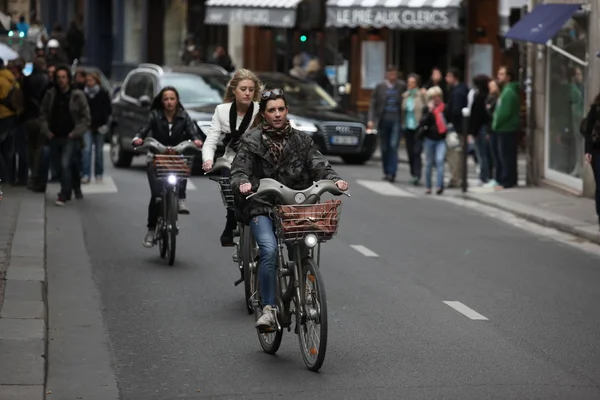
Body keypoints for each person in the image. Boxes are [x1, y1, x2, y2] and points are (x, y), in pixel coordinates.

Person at [230, 88, 348, 330]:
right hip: (261, 206)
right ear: (263, 114)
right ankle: (269, 309)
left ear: (287, 111)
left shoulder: (302, 140)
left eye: (281, 109)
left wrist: (334, 180)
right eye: (271, 110)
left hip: (295, 207)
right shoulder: (251, 140)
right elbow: (239, 170)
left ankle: (304, 289)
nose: (277, 114)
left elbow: (319, 165)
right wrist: (243, 183)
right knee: (269, 250)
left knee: (304, 248)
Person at [132, 86, 203, 248]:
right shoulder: (154, 115)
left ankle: (181, 198)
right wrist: (138, 139)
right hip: (157, 157)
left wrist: (197, 140)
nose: (169, 102)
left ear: (177, 100)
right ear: (161, 101)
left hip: (177, 157)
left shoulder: (184, 116)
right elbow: (143, 130)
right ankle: (151, 230)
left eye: (172, 99)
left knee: (185, 164)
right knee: (156, 196)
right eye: (166, 99)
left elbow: (193, 133)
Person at [202, 69, 262, 246]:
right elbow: (211, 140)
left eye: (251, 89)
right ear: (234, 90)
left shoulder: (260, 109)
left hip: (255, 161)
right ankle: (231, 221)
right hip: (231, 161)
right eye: (243, 89)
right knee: (231, 189)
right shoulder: (222, 111)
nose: (247, 93)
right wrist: (208, 159)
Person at [39, 65, 90, 206]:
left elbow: (86, 118)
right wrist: (47, 131)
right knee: (63, 165)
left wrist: (76, 132)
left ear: (68, 79)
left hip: (70, 136)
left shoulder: (77, 95)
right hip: (54, 136)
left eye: (63, 77)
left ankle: (64, 193)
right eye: (58, 77)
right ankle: (75, 186)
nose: (61, 80)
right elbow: (42, 114)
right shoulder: (51, 94)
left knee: (65, 163)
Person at [367, 65, 407, 183]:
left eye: (394, 74)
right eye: (390, 74)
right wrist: (371, 119)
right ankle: (386, 170)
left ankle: (392, 172)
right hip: (383, 119)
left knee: (393, 146)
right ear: (386, 75)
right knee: (384, 147)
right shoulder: (380, 87)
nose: (392, 76)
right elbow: (373, 104)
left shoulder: (401, 86)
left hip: (396, 119)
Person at [81, 71, 112, 183]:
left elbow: (108, 110)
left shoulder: (103, 93)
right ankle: (86, 174)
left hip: (100, 126)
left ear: (96, 81)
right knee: (87, 150)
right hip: (87, 126)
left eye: (91, 80)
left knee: (99, 151)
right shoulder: (83, 94)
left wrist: (104, 123)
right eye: (87, 81)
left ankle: (98, 173)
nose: (89, 83)